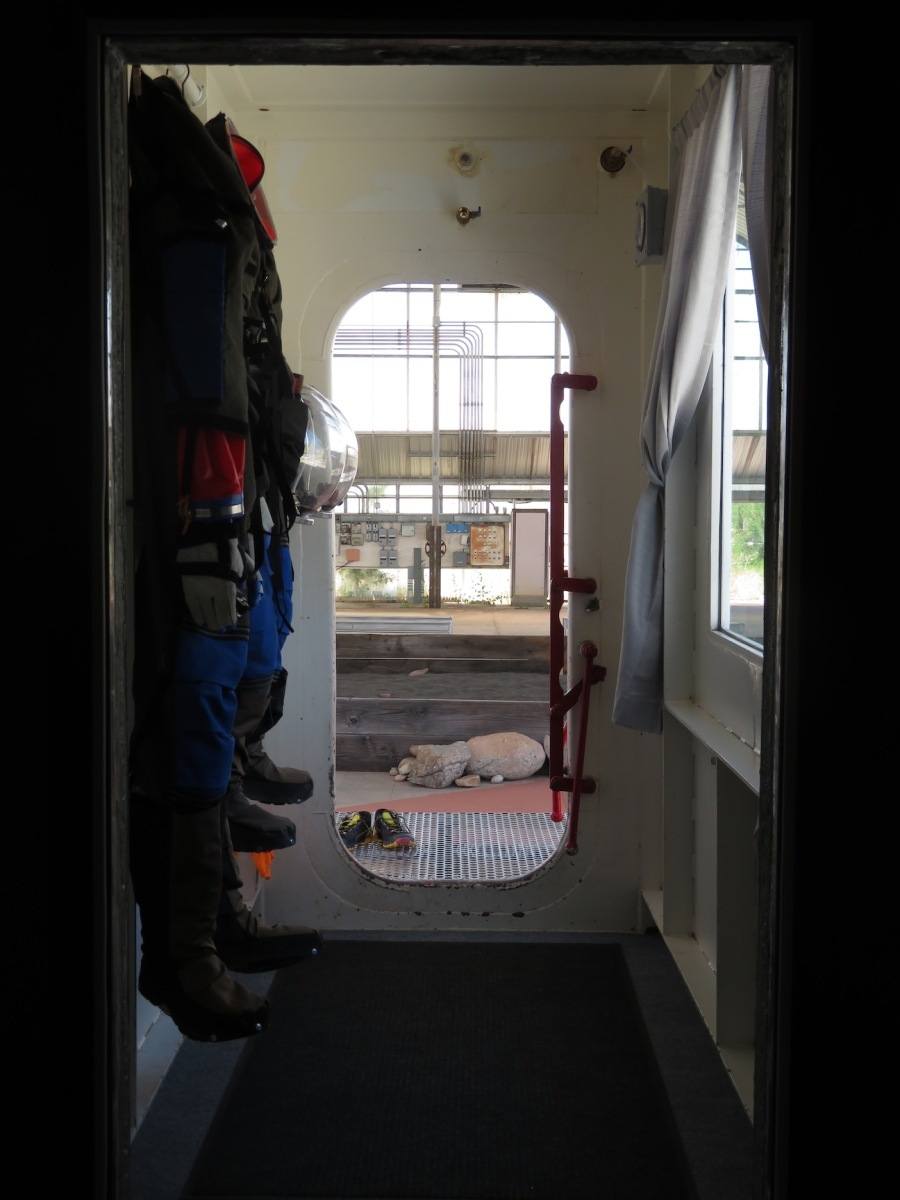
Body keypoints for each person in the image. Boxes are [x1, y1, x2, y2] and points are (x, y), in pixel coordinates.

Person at [127, 70, 318, 1043]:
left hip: (235, 472)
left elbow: (232, 361)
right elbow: (207, 370)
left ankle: (211, 927)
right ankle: (185, 955)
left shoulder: (223, 203)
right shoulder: (202, 204)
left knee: (241, 653)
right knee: (195, 697)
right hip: (210, 475)